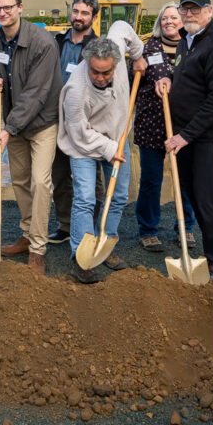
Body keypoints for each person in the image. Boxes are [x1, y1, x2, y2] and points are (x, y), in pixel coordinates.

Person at [156, 0, 213, 279]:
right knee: (193, 195)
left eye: (195, 8)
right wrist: (168, 77)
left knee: (210, 201)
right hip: (186, 136)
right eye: (185, 9)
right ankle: (209, 256)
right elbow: (187, 78)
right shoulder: (186, 42)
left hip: (207, 138)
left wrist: (186, 135)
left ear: (209, 11)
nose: (188, 14)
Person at [0, 0, 63, 275]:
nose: (2, 13)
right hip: (13, 122)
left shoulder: (43, 42)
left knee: (41, 183)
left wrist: (9, 127)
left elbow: (37, 93)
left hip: (42, 122)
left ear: (20, 7)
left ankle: (38, 248)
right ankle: (28, 234)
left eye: (8, 7)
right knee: (20, 181)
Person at [58, 24, 144, 282]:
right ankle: (81, 258)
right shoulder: (76, 91)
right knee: (84, 198)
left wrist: (138, 55)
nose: (100, 77)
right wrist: (109, 150)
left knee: (118, 196)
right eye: (94, 71)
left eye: (106, 72)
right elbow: (79, 132)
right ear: (87, 63)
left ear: (116, 64)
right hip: (82, 143)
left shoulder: (115, 46)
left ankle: (104, 246)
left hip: (116, 136)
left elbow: (121, 26)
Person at [134, 3, 197, 252]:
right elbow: (133, 80)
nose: (169, 21)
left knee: (185, 179)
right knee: (151, 180)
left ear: (182, 20)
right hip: (151, 124)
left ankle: (186, 227)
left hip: (183, 126)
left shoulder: (192, 47)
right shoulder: (147, 48)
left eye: (174, 17)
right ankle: (148, 229)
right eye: (164, 18)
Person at [49, 0, 99, 245]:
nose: (78, 17)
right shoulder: (56, 41)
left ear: (93, 17)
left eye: (85, 13)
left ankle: (91, 227)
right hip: (56, 118)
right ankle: (66, 225)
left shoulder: (99, 46)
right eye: (76, 12)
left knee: (88, 177)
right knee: (58, 175)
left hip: (84, 120)